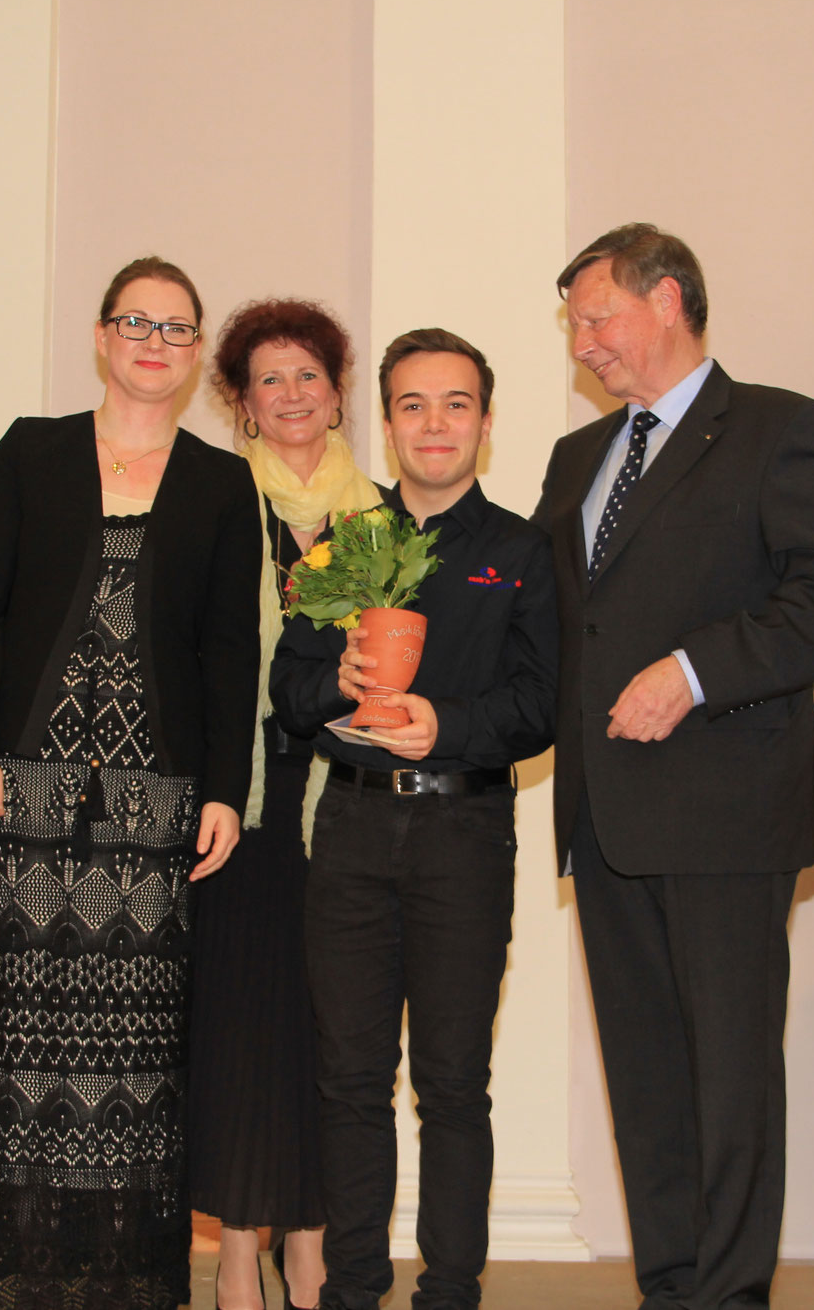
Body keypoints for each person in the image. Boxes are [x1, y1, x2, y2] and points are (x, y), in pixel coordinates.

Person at [534, 225, 814, 1310]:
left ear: (668, 298)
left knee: (729, 1080)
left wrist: (692, 671)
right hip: (605, 817)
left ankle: (729, 1295)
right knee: (644, 1082)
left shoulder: (779, 427)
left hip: (726, 809)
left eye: (598, 317)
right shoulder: (576, 459)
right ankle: (670, 1286)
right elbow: (549, 630)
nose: (583, 344)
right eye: (574, 326)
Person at [0, 257, 262, 1310]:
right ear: (101, 335)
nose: (154, 343)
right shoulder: (28, 453)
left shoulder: (221, 484)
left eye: (176, 328)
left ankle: (122, 1278)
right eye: (137, 322)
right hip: (19, 794)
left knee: (134, 1056)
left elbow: (230, 652)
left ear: (195, 351)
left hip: (152, 806)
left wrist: (224, 790)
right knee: (16, 1044)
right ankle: (17, 1274)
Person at [270, 328, 557, 1310]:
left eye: (456, 403)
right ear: (387, 424)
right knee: (348, 1080)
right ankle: (351, 1289)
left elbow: (540, 704)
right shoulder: (345, 545)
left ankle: (449, 1293)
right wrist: (338, 678)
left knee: (452, 1085)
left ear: (485, 421)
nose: (435, 424)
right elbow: (289, 691)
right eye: (413, 405)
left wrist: (449, 725)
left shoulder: (521, 550)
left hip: (463, 835)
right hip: (349, 832)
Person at [191, 299, 380, 1310]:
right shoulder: (215, 504)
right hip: (241, 803)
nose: (292, 393)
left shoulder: (383, 518)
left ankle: (308, 1245)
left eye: (309, 373)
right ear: (242, 402)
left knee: (327, 1039)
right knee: (237, 1032)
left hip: (347, 805)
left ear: (338, 393)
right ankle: (235, 1251)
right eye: (269, 378)